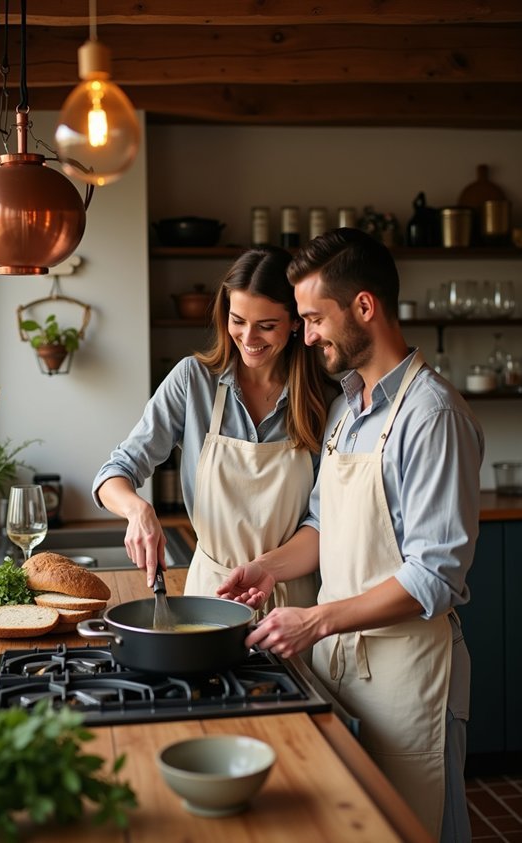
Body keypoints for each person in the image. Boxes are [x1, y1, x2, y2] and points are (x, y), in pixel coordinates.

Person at [217, 228, 484, 842]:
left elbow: (434, 578)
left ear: (364, 307)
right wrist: (267, 569)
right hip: (340, 667)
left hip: (409, 676)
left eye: (314, 318)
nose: (306, 336)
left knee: (417, 828)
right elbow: (323, 524)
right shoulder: (346, 409)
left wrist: (315, 621)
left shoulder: (432, 416)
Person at [92, 246, 335, 611]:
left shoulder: (324, 400)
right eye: (238, 321)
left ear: (296, 322)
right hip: (211, 594)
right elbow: (115, 471)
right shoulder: (193, 382)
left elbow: (322, 523)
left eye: (267, 326)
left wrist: (267, 568)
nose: (249, 338)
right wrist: (137, 510)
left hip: (292, 605)